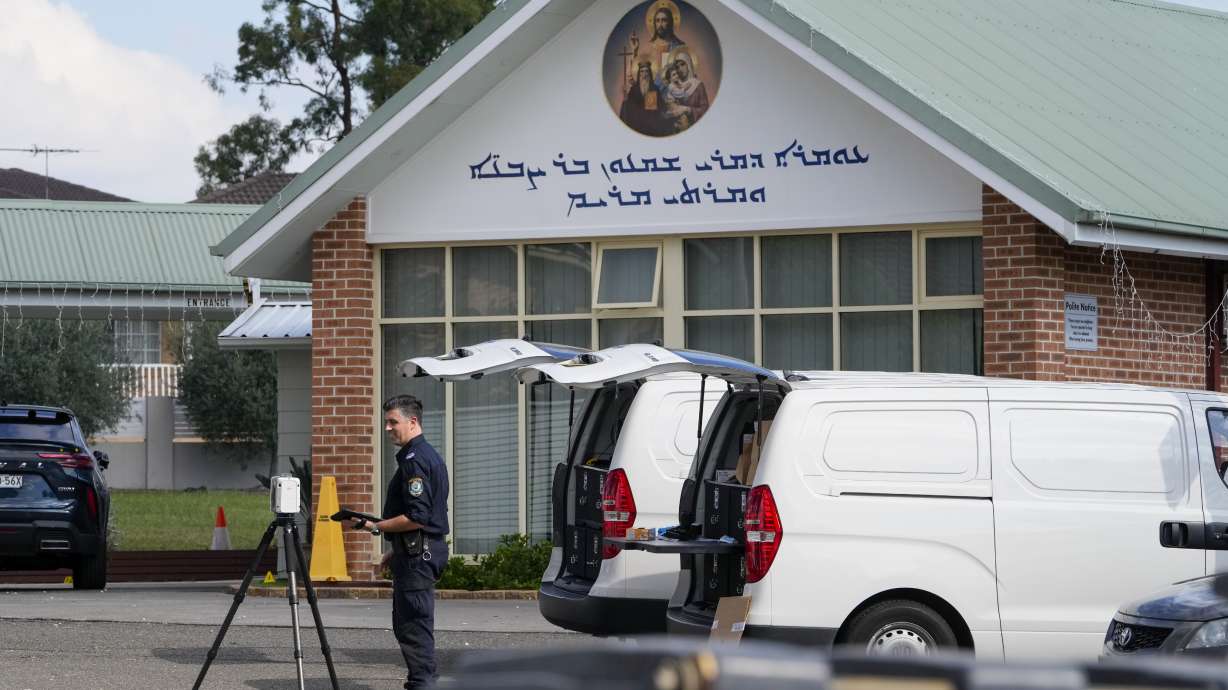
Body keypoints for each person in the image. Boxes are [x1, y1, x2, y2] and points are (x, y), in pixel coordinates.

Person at [350, 394, 450, 690]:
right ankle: (421, 681)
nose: (388, 428)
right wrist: (395, 551)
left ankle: (423, 684)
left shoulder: (415, 460)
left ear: (413, 421)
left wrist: (379, 527)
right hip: (415, 551)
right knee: (409, 623)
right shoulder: (423, 455)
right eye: (386, 422)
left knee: (413, 625)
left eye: (393, 422)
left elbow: (417, 516)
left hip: (420, 554)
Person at [663, 48, 709, 132]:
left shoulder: (698, 85)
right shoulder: (673, 86)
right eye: (677, 67)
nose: (680, 69)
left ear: (689, 64)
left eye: (682, 64)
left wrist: (688, 109)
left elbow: (705, 110)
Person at [620, 60, 669, 136]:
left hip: (651, 124)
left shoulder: (654, 88)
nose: (644, 74)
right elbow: (629, 106)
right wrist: (625, 98)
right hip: (636, 124)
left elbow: (658, 107)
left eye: (646, 71)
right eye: (642, 71)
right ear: (639, 73)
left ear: (649, 73)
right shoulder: (634, 89)